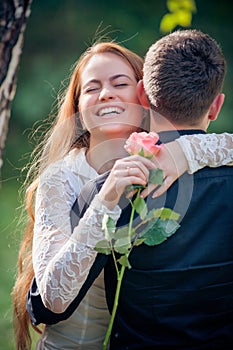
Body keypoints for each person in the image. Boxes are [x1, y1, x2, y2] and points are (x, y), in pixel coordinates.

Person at [11, 39, 233, 350]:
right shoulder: (62, 178)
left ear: (144, 96)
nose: (106, 93)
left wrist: (187, 149)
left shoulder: (166, 161)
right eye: (91, 88)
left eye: (120, 83)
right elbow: (52, 299)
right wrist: (106, 200)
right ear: (76, 106)